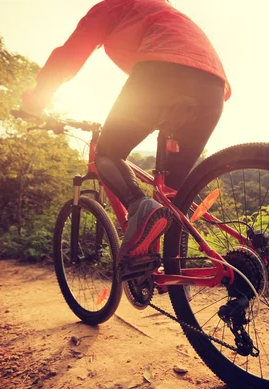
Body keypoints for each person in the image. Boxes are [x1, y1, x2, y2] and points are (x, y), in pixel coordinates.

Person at [20, 0, 230, 267]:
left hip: (162, 70)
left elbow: (69, 55)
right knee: (173, 197)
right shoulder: (164, 10)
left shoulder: (115, 5)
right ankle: (178, 276)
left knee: (108, 152)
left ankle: (139, 208)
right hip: (213, 87)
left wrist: (37, 99)